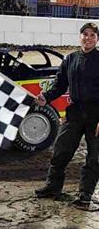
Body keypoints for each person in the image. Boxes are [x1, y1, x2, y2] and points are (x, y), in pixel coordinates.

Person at [35, 22, 99, 209]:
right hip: (75, 112)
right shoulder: (70, 59)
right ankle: (53, 187)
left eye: (92, 35)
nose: (88, 38)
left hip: (96, 115)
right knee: (61, 150)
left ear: (97, 39)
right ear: (80, 36)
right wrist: (45, 98)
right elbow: (59, 86)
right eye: (84, 34)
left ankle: (85, 195)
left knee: (94, 158)